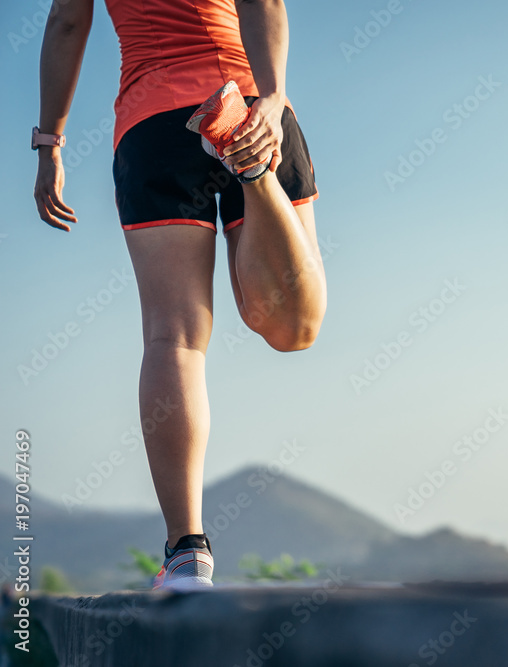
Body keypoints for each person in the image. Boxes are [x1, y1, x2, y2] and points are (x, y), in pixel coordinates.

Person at [32, 0, 328, 590]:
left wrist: (49, 145)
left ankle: (186, 555)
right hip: (243, 99)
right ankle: (251, 168)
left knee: (175, 336)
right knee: (293, 328)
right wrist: (270, 98)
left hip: (153, 122)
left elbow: (68, 19)